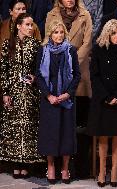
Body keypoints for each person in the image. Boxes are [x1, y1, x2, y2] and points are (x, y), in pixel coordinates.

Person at [45, 0, 92, 178]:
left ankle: (74, 168)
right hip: (54, 76)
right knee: (54, 124)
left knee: (74, 125)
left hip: (77, 75)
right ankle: (52, 167)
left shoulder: (85, 14)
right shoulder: (51, 14)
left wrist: (70, 62)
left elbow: (87, 44)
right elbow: (46, 40)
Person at [87, 19, 117, 187]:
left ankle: (114, 170)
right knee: (103, 136)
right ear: (107, 34)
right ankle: (102, 170)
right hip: (102, 99)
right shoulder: (98, 50)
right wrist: (107, 96)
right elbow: (95, 76)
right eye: (113, 33)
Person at [36, 20, 81, 184]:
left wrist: (68, 94)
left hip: (66, 99)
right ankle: (51, 167)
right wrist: (49, 96)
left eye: (61, 32)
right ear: (50, 34)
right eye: (56, 32)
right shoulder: (43, 50)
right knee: (50, 134)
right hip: (49, 99)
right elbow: (39, 76)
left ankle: (64, 168)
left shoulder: (71, 51)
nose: (59, 35)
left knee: (66, 134)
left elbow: (77, 75)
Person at [0, 13, 44, 178]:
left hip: (30, 93)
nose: (30, 28)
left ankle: (26, 165)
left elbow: (40, 69)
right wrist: (5, 92)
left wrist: (35, 77)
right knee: (13, 128)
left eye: (31, 25)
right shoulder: (7, 44)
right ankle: (15, 165)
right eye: (27, 25)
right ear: (18, 26)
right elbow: (3, 70)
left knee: (28, 128)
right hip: (13, 91)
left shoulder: (36, 45)